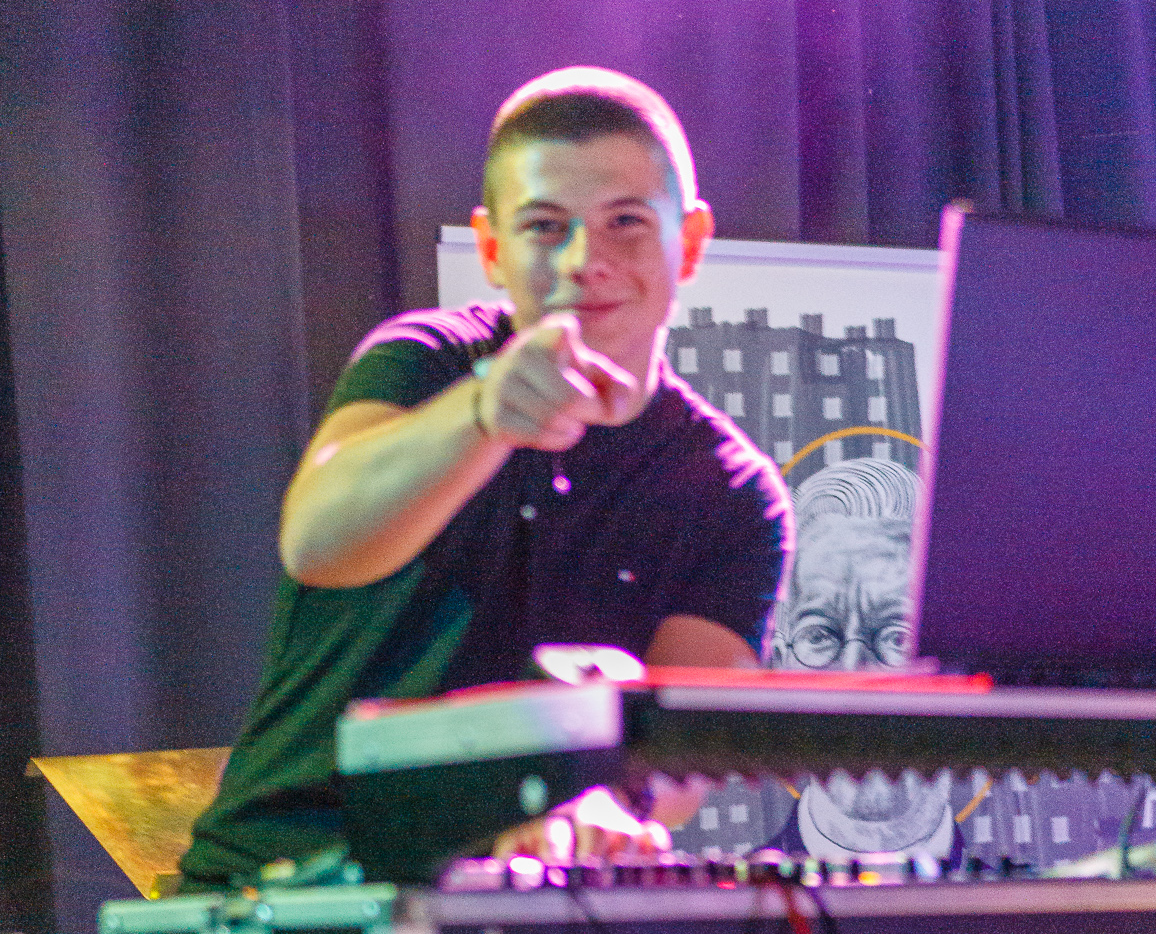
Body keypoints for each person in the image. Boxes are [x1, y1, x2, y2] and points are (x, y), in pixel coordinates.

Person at [180, 68, 793, 886]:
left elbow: (684, 735)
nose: (586, 261)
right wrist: (481, 414)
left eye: (625, 222)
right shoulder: (425, 363)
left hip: (530, 904)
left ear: (688, 243)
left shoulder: (730, 489)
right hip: (292, 879)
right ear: (493, 248)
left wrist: (605, 803)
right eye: (546, 227)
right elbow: (317, 542)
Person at [766, 456, 956, 862]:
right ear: (780, 666)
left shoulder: (1049, 902)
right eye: (820, 635)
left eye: (896, 636)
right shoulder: (726, 896)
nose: (854, 672)